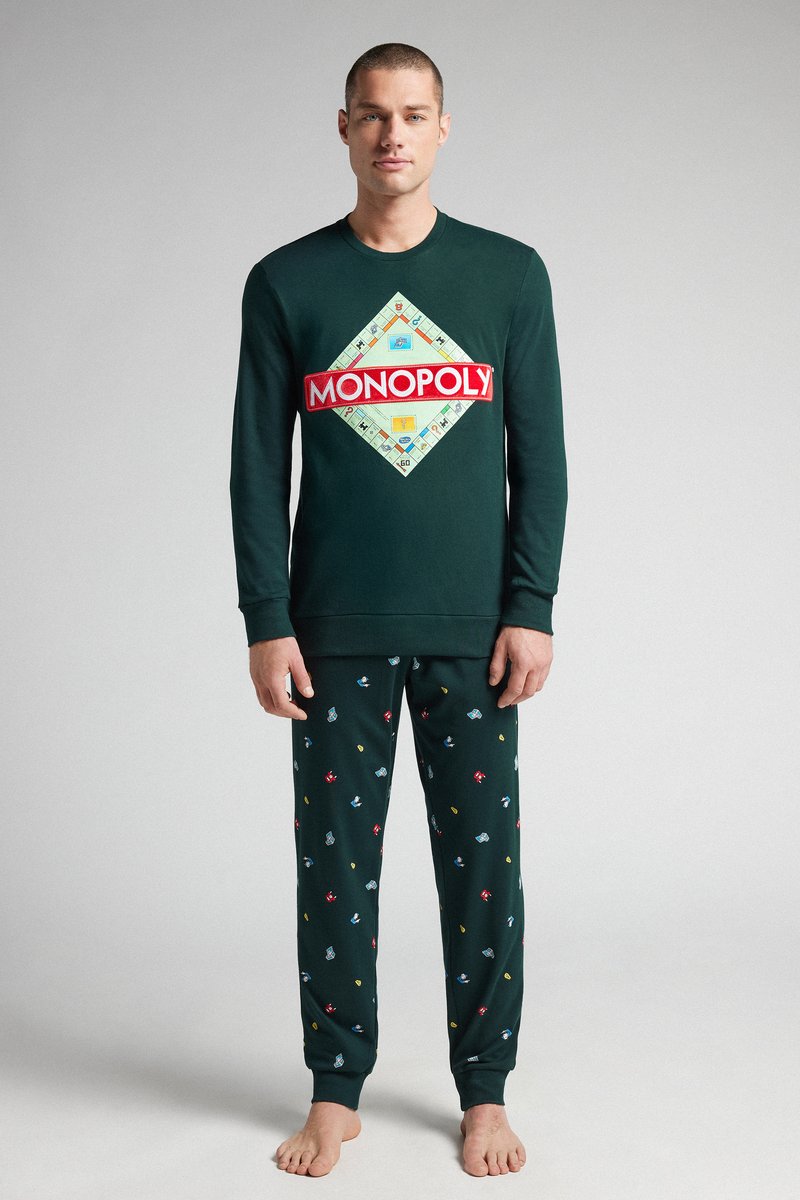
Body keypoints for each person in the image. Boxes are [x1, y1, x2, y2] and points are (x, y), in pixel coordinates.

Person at [229, 41, 568, 1178]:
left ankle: (484, 1093)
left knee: (484, 868)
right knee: (333, 867)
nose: (392, 134)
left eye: (413, 114)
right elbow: (254, 467)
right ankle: (335, 1092)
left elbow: (542, 459)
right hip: (331, 634)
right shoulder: (287, 282)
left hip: (474, 633)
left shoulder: (507, 275)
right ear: (343, 129)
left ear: (442, 128)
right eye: (372, 114)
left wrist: (530, 605)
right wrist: (265, 619)